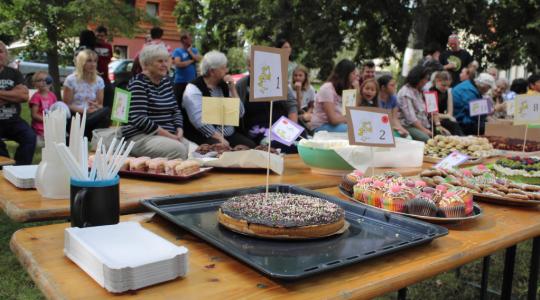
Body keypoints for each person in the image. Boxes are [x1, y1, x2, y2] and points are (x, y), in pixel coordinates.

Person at [122, 44, 190, 159]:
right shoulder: (138, 83)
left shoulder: (166, 83)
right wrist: (170, 136)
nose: (165, 65)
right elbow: (140, 119)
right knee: (179, 149)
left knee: (186, 145)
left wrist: (179, 130)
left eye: (166, 61)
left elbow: (175, 111)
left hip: (165, 136)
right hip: (141, 137)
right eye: (159, 61)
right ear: (146, 64)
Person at [183, 50, 255, 147]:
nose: (227, 71)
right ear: (212, 71)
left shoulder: (224, 85)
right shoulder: (194, 89)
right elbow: (199, 121)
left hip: (230, 134)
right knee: (222, 150)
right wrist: (220, 138)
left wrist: (233, 89)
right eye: (223, 68)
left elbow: (240, 113)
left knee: (251, 146)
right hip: (207, 136)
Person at [0, 41, 35, 165]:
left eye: (1, 52)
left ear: (5, 54)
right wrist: (12, 94)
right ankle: (4, 171)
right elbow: (17, 95)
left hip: (13, 120)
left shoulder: (14, 73)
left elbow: (24, 96)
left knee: (30, 137)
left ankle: (20, 168)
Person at [63, 49, 110, 138]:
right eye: (89, 61)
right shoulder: (71, 80)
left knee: (106, 111)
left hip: (92, 114)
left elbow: (100, 105)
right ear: (81, 62)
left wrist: (95, 106)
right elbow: (67, 104)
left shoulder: (99, 80)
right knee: (102, 114)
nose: (93, 64)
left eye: (95, 61)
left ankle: (89, 136)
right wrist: (84, 111)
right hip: (76, 114)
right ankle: (87, 135)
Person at [310, 59, 359, 133]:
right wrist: (350, 119)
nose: (356, 77)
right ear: (345, 74)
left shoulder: (347, 89)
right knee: (355, 131)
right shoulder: (327, 88)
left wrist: (356, 91)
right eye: (353, 73)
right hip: (321, 126)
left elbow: (352, 112)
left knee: (361, 128)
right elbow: (333, 120)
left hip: (339, 125)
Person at [397, 65, 433, 142]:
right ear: (418, 78)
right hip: (407, 125)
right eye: (426, 79)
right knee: (425, 138)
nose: (427, 82)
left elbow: (431, 109)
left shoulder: (422, 90)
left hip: (423, 124)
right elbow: (411, 119)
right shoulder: (405, 93)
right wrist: (425, 130)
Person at [429, 71, 464, 136]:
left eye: (448, 85)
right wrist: (446, 116)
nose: (446, 88)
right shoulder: (430, 92)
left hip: (443, 119)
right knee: (453, 125)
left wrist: (446, 116)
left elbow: (450, 113)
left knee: (454, 124)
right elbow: (431, 114)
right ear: (437, 81)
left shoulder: (448, 92)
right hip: (432, 121)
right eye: (443, 85)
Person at [172, 30, 201, 107]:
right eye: (189, 37)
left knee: (191, 105)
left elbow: (199, 59)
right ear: (184, 39)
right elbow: (178, 64)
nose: (191, 39)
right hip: (180, 83)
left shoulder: (194, 50)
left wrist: (190, 52)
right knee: (179, 105)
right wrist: (192, 60)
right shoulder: (178, 51)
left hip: (192, 82)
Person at [29, 71, 58, 147]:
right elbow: (34, 115)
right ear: (35, 84)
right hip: (39, 129)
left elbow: (55, 109)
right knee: (41, 145)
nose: (44, 82)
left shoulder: (52, 96)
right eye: (40, 80)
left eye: (46, 80)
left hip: (51, 127)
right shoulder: (36, 96)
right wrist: (47, 119)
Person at [94, 26, 114, 108]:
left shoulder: (108, 46)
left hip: (105, 77)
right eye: (98, 35)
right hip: (94, 76)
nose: (99, 38)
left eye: (102, 36)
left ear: (105, 36)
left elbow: (109, 59)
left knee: (108, 96)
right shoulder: (93, 45)